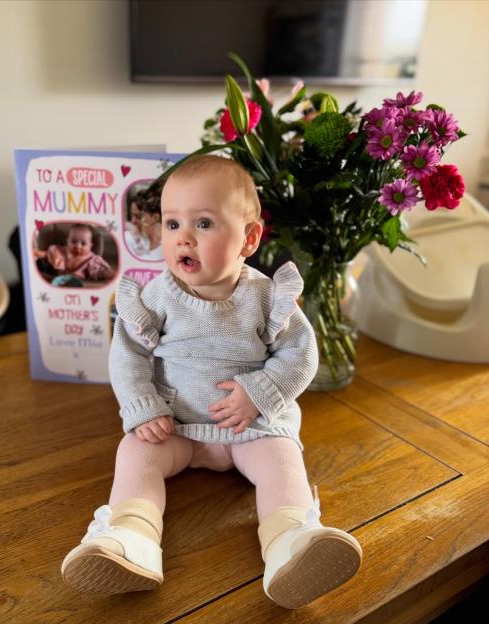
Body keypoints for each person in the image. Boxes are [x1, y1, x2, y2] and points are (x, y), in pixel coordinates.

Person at [60, 156, 362, 608]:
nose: (183, 236)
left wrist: (260, 393)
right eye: (172, 223)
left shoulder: (265, 298)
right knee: (135, 453)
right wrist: (144, 406)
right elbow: (129, 355)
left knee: (282, 460)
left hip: (249, 429)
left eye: (203, 223)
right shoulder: (155, 297)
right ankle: (129, 538)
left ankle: (291, 542)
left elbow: (301, 354)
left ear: (250, 238)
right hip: (175, 426)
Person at [35, 223, 115, 283]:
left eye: (83, 243)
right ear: (67, 242)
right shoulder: (61, 251)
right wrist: (34, 252)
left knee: (101, 272)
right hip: (58, 280)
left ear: (90, 246)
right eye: (73, 242)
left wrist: (108, 274)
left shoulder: (90, 259)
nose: (78, 246)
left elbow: (99, 271)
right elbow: (46, 255)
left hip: (79, 284)